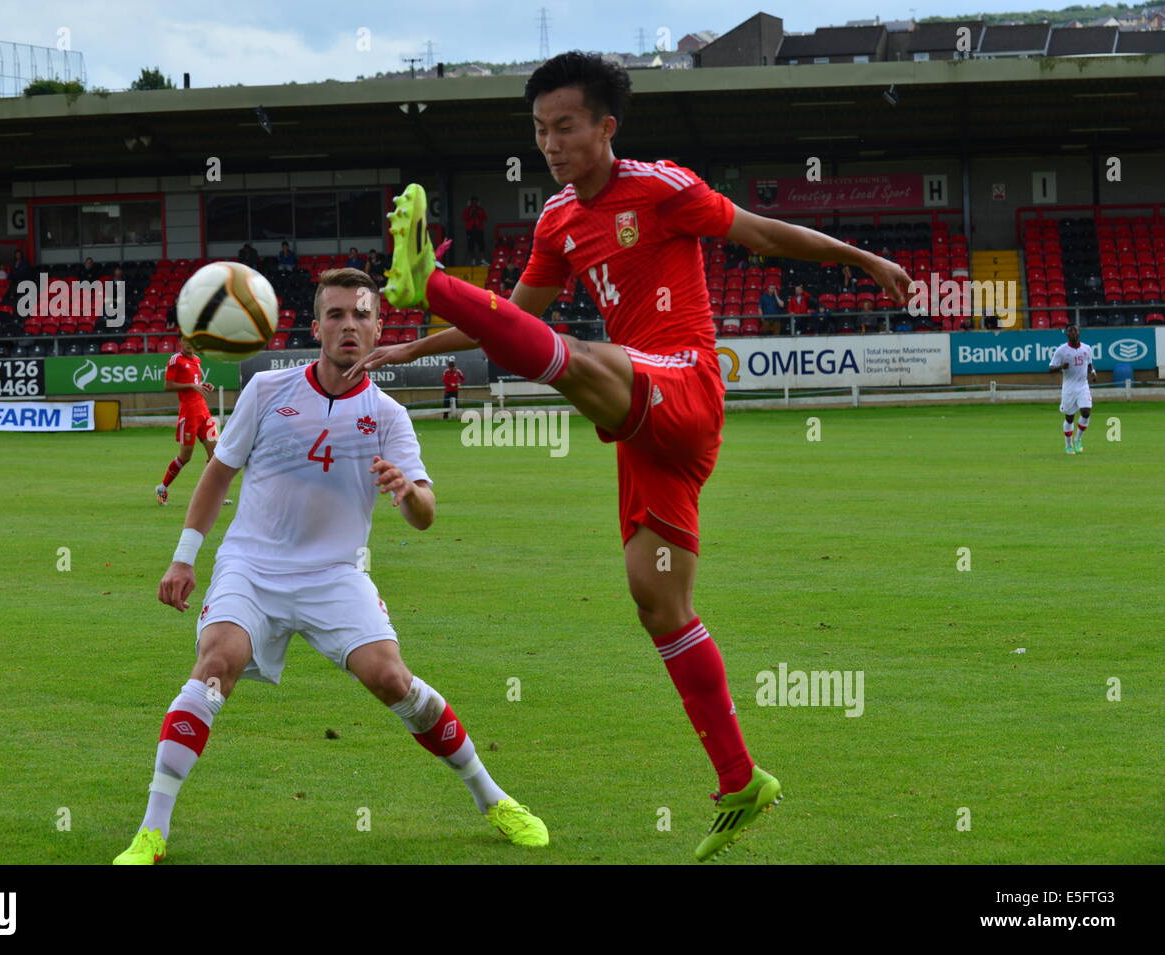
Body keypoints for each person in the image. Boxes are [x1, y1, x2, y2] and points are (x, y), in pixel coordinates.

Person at [354, 51, 911, 861]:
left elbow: (761, 233)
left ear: (606, 126)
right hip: (648, 432)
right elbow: (512, 323)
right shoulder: (556, 221)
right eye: (540, 129)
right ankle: (740, 778)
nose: (550, 142)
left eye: (566, 126)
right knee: (658, 602)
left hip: (682, 382)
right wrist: (406, 347)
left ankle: (433, 277)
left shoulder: (664, 187)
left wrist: (863, 258)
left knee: (582, 358)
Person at [114, 268, 547, 864]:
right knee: (217, 663)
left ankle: (492, 797)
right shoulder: (268, 391)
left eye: (362, 314)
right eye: (338, 314)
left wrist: (407, 492)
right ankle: (152, 830)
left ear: (377, 328)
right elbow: (218, 473)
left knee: (391, 679)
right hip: (252, 567)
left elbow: (425, 513)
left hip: (335, 574)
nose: (350, 325)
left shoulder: (389, 416)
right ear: (316, 326)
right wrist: (184, 558)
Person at [157, 337, 220, 506]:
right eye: (186, 341)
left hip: (204, 412)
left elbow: (195, 383)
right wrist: (191, 386)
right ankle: (162, 488)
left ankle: (212, 495)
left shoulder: (197, 360)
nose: (189, 345)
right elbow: (168, 385)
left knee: (216, 455)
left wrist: (202, 385)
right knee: (185, 457)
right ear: (180, 342)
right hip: (189, 414)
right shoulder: (175, 360)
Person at [1049, 323, 1096, 454]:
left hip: (1083, 386)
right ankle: (1068, 444)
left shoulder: (1087, 348)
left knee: (1086, 412)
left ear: (1079, 333)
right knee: (1069, 417)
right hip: (1069, 389)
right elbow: (1051, 368)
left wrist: (1093, 373)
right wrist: (1061, 367)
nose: (1073, 333)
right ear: (1067, 334)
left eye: (1075, 330)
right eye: (1070, 331)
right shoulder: (1061, 350)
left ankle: (1078, 439)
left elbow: (1090, 364)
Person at [463, 196, 488, 265]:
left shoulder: (480, 209)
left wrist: (479, 214)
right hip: (470, 230)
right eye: (473, 202)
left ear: (477, 203)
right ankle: (473, 260)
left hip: (479, 229)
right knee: (471, 245)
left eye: (475, 202)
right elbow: (464, 218)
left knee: (481, 245)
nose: (474, 203)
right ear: (470, 203)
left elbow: (485, 218)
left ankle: (482, 260)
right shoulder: (467, 210)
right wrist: (471, 214)